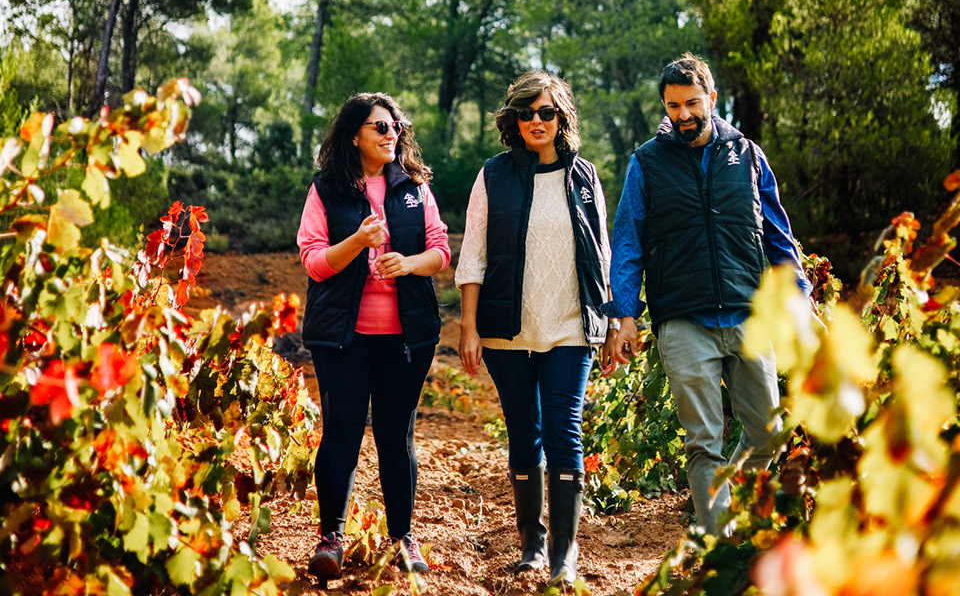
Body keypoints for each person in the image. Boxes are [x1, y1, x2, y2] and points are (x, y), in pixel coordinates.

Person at [601, 53, 812, 535]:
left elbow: (779, 236)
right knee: (704, 443)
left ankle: (726, 500)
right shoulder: (647, 163)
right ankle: (719, 548)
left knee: (768, 434)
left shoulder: (748, 155)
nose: (683, 115)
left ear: (712, 99)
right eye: (673, 106)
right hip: (683, 318)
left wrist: (800, 298)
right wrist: (626, 313)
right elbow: (628, 241)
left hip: (747, 313)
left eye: (692, 103)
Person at [456, 72, 612, 586]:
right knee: (524, 432)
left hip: (569, 325)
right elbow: (473, 254)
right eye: (527, 113)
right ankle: (532, 546)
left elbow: (603, 258)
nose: (537, 122)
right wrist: (469, 327)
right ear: (514, 120)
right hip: (505, 330)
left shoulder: (585, 176)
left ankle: (565, 555)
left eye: (547, 112)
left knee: (566, 430)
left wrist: (609, 322)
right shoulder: (493, 175)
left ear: (562, 116)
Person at [297, 93, 451, 581]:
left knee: (395, 435)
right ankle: (331, 539)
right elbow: (314, 262)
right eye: (380, 127)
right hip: (343, 336)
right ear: (354, 135)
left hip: (407, 337)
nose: (392, 135)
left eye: (396, 126)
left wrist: (406, 264)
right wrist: (358, 242)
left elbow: (441, 251)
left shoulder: (415, 189)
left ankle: (403, 539)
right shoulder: (326, 190)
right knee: (341, 431)